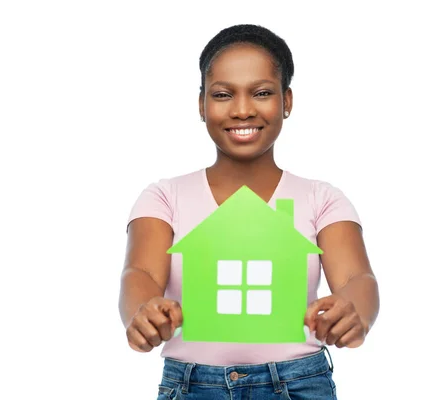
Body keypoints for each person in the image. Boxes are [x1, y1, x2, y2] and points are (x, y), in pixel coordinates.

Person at [119, 24, 379, 399]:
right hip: (193, 386)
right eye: (223, 94)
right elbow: (139, 271)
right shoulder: (165, 196)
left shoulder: (322, 199)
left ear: (286, 101)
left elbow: (357, 277)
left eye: (261, 93)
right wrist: (142, 312)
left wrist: (355, 312)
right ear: (201, 103)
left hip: (299, 383)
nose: (242, 110)